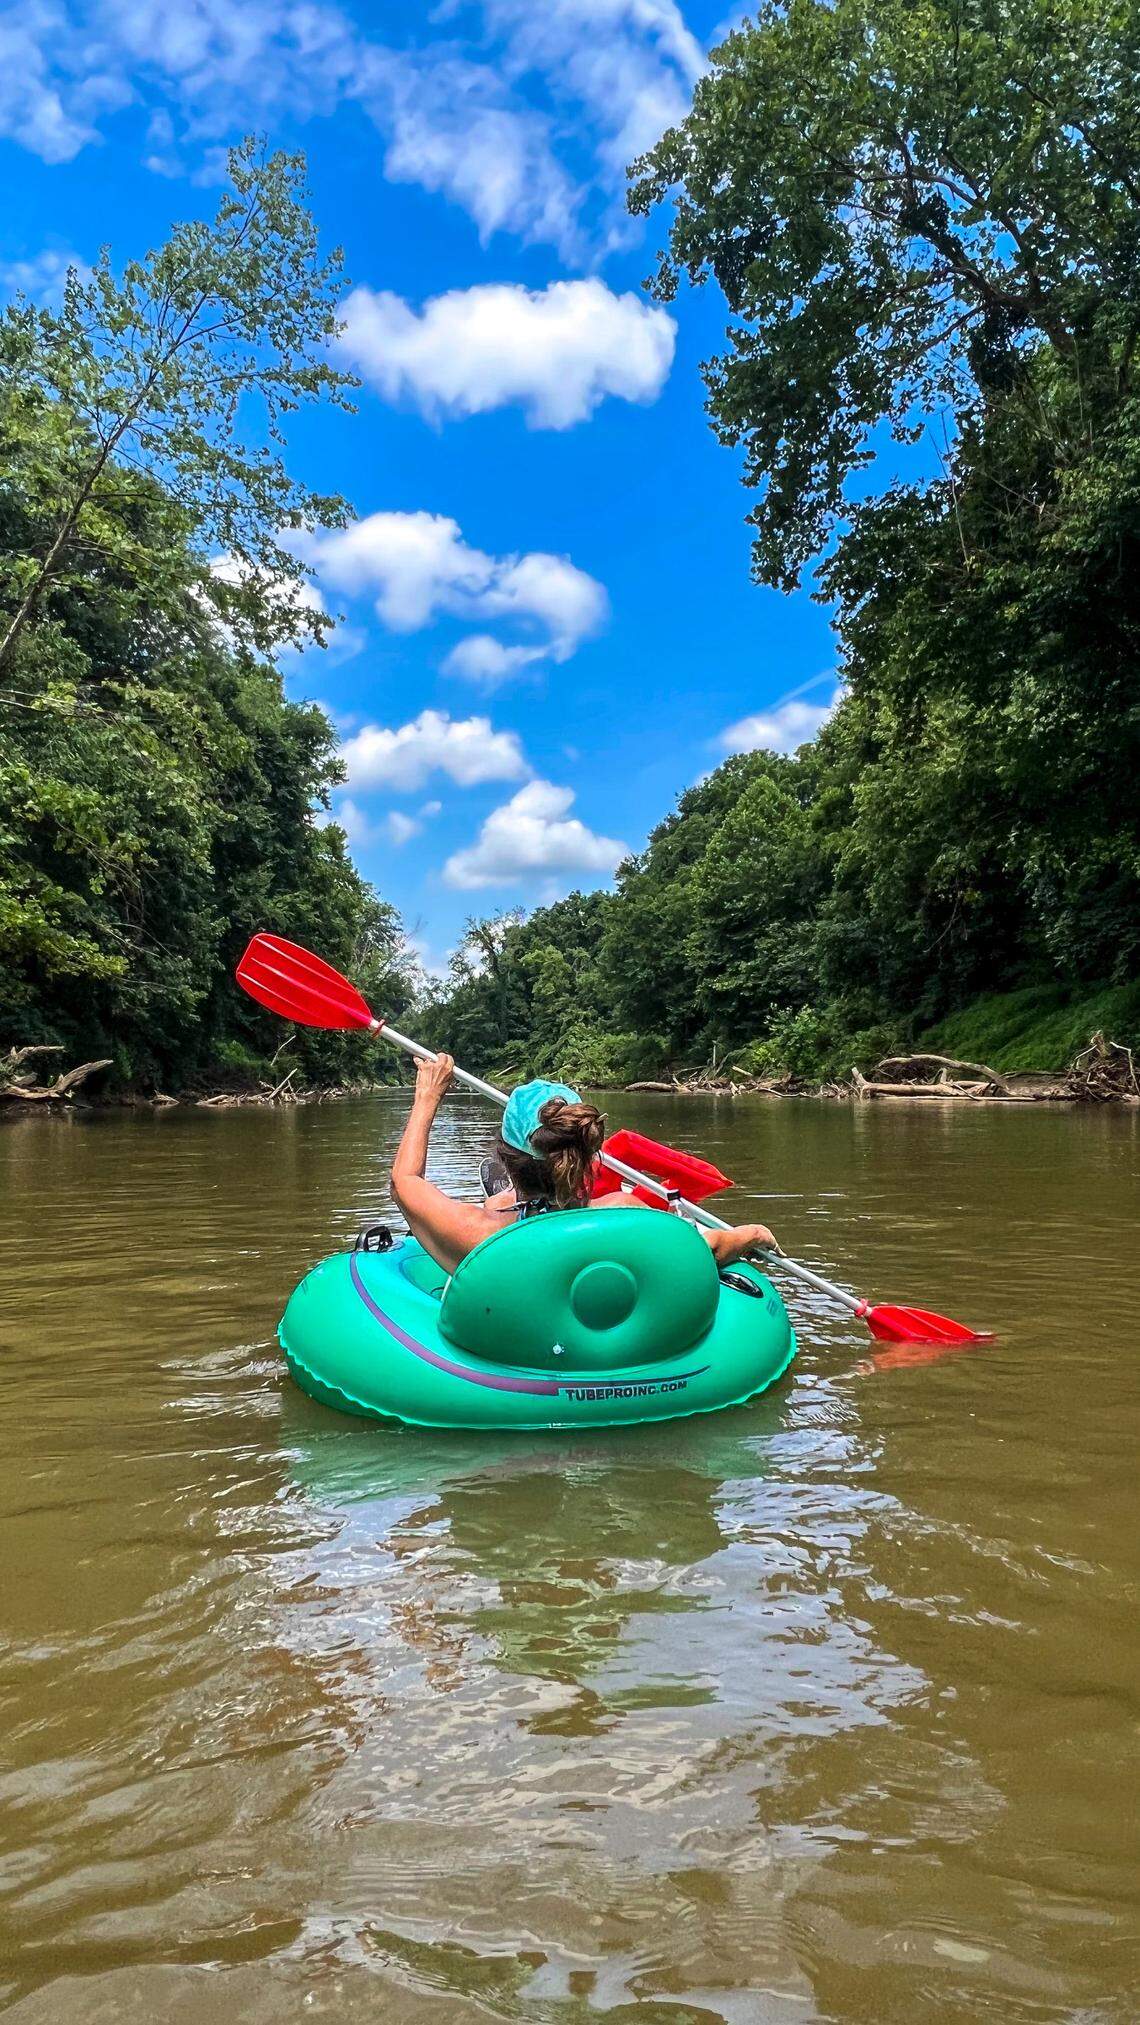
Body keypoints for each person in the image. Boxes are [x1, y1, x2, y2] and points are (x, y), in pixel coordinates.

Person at [389, 1055, 779, 1277]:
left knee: (494, 1208)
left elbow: (404, 1179)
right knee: (499, 1206)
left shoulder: (474, 1234)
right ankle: (523, 1198)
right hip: (603, 1354)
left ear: (506, 1159)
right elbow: (711, 1250)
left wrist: (427, 1095)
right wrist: (755, 1234)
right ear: (589, 1156)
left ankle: (516, 1199)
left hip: (513, 1365)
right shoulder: (626, 1215)